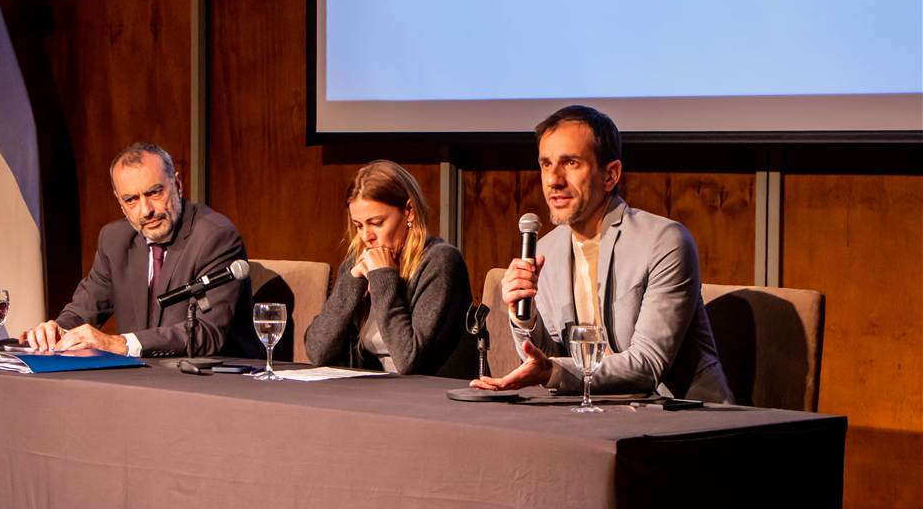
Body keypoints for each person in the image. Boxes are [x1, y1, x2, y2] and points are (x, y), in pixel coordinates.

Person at [472, 106, 733, 402]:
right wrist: (526, 319)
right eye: (546, 164)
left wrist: (552, 372)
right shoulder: (545, 251)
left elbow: (647, 366)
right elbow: (547, 360)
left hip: (686, 416)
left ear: (610, 175)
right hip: (595, 410)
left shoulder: (665, 241)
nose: (553, 180)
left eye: (570, 163)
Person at [21, 142, 262, 358]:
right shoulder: (114, 239)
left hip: (214, 380)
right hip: (142, 380)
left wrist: (119, 343)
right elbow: (87, 306)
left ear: (177, 184)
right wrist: (58, 330)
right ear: (120, 203)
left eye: (154, 193)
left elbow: (206, 333)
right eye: (131, 200)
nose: (146, 210)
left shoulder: (214, 236)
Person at [305, 160, 477, 377]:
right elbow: (317, 351)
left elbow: (409, 361)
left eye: (376, 223)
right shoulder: (356, 264)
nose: (366, 236)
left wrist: (383, 280)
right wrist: (351, 282)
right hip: (374, 393)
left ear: (409, 211)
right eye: (359, 225)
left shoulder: (441, 262)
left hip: (432, 397)